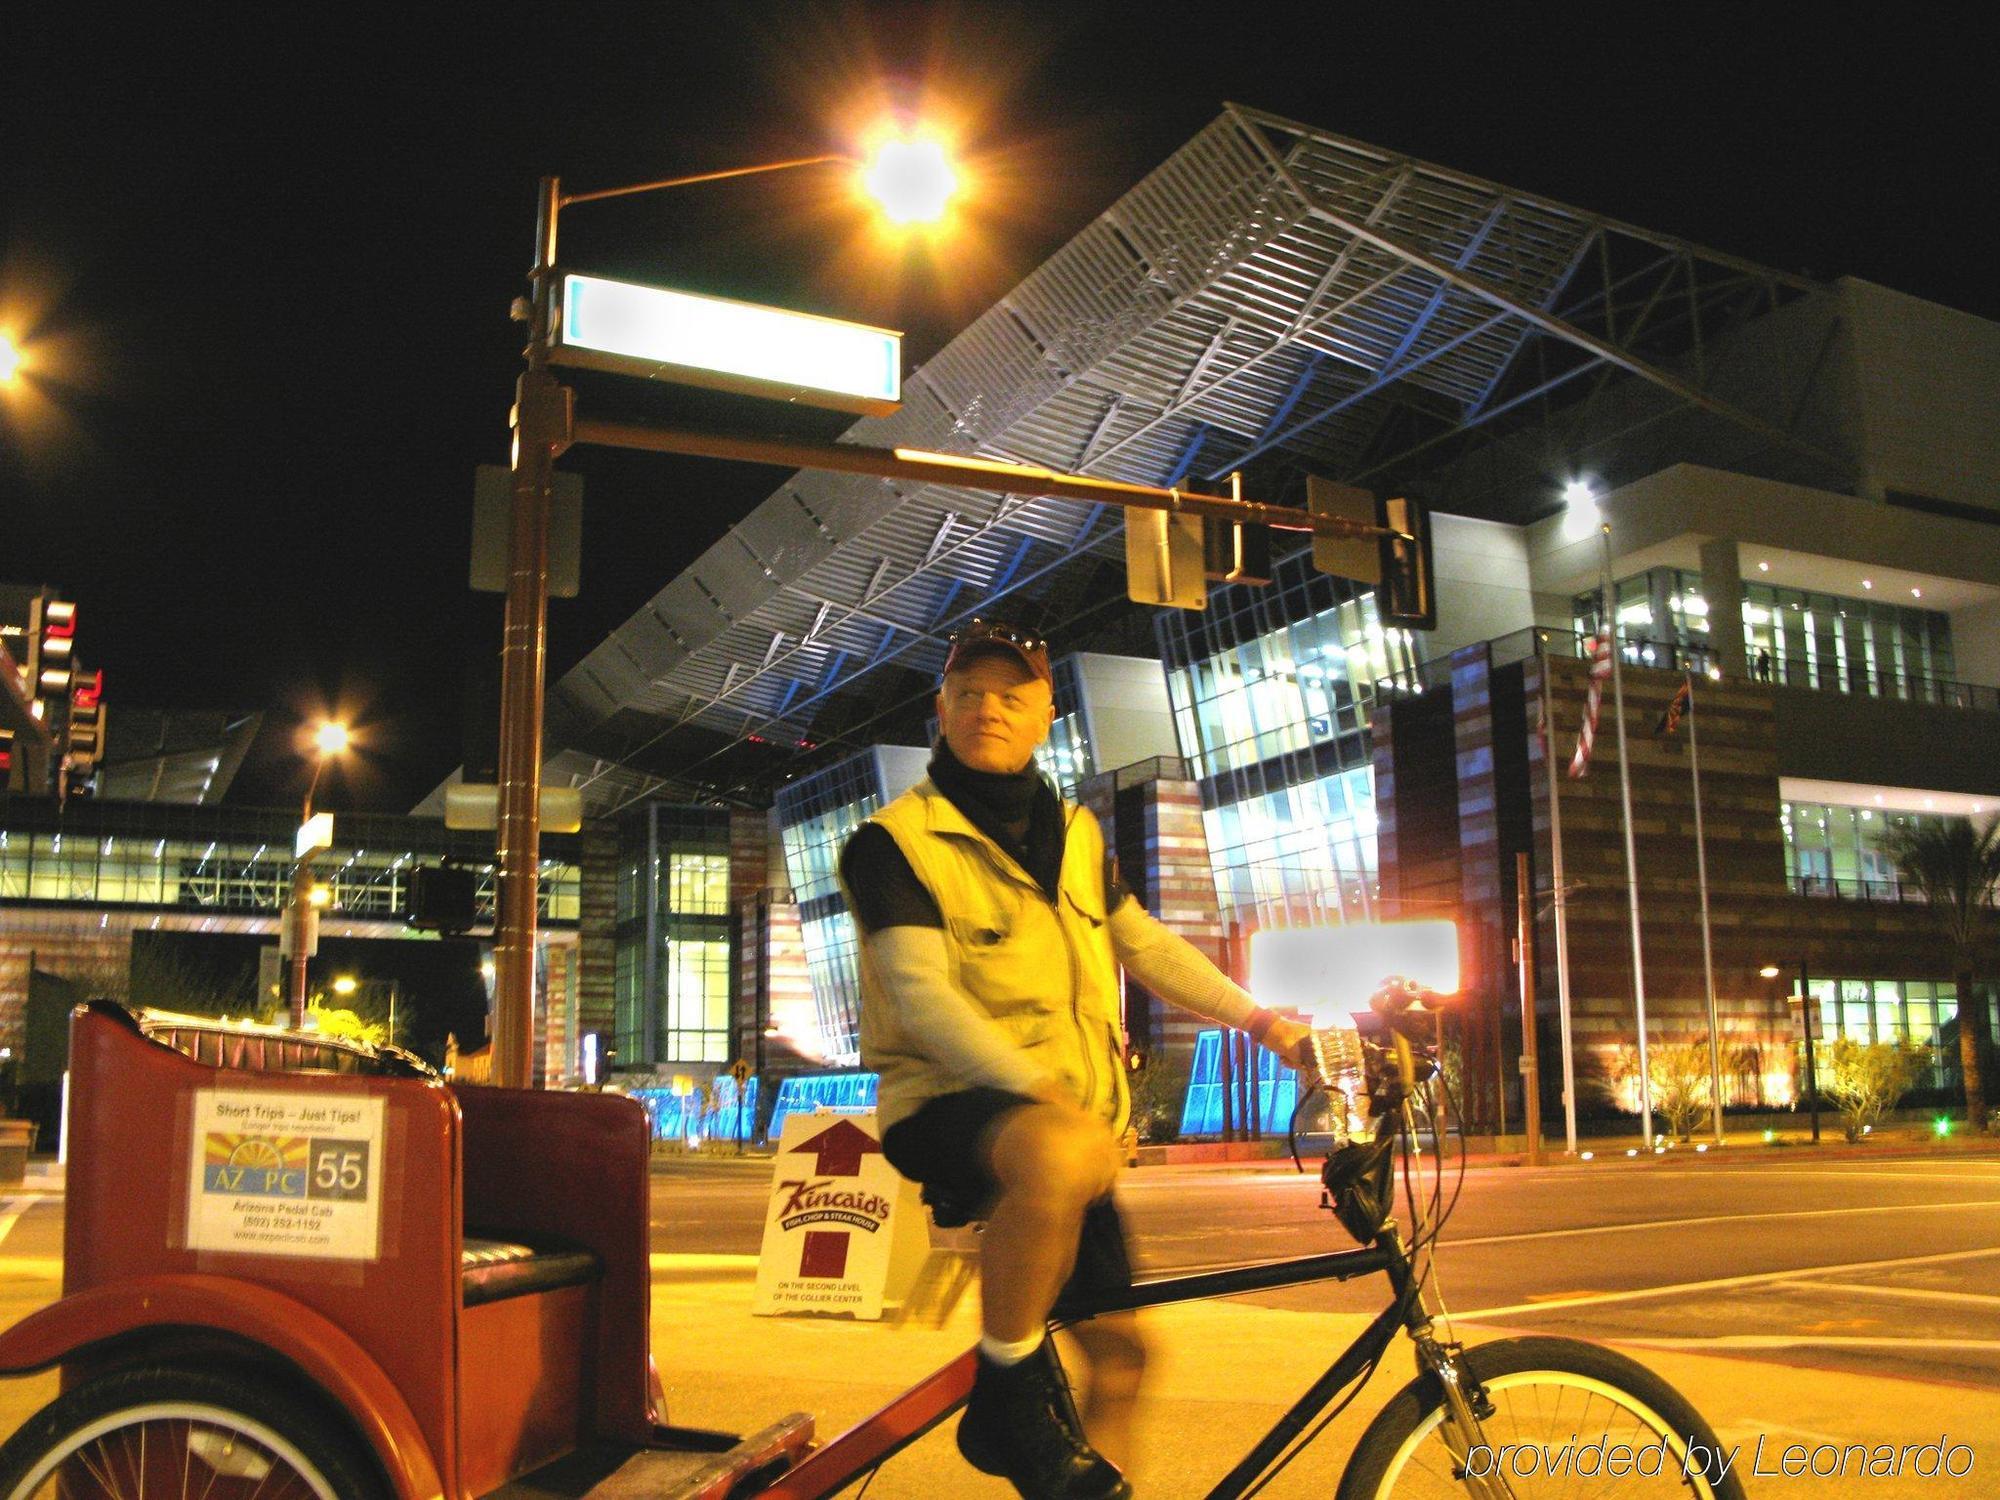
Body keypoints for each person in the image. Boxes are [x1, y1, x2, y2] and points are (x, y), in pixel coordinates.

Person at [839, 620, 1318, 1500]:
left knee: (1125, 1357)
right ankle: (1008, 1397)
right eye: (969, 694)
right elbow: (920, 994)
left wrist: (1266, 1023)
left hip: (1064, 1133)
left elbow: (1144, 943)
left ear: (1046, 716)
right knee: (1059, 1156)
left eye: (1011, 696)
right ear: (939, 711)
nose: (988, 709)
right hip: (949, 1102)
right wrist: (1036, 1090)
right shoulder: (893, 843)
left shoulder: (1076, 834)